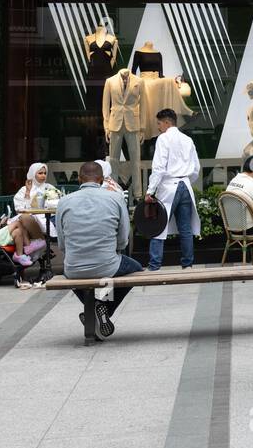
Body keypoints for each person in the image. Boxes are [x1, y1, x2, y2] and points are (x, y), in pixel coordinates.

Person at [56, 161, 143, 340]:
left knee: (71, 271)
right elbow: (123, 239)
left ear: (79, 179)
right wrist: (114, 250)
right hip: (107, 265)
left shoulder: (63, 202)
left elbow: (62, 244)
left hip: (73, 268)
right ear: (102, 179)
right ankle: (104, 307)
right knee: (136, 268)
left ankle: (95, 308)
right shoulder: (116, 198)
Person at [145, 108, 200, 271]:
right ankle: (187, 264)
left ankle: (154, 265)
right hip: (185, 185)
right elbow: (196, 167)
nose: (158, 127)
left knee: (158, 226)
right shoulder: (187, 139)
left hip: (169, 186)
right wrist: (186, 180)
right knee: (185, 228)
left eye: (159, 123)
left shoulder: (163, 139)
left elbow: (159, 167)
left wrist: (150, 190)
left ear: (167, 122)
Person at [13, 162, 59, 241]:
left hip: (51, 217)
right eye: (40, 173)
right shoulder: (24, 189)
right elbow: (20, 209)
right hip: (33, 218)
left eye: (45, 173)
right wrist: (28, 192)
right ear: (33, 174)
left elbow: (57, 202)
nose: (43, 175)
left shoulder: (49, 187)